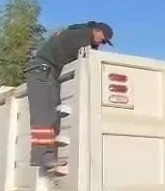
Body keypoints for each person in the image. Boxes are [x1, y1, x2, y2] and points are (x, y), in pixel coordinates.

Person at [26, 21, 114, 173]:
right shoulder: (83, 36)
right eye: (103, 39)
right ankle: (43, 157)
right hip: (42, 71)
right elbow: (88, 58)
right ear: (97, 30)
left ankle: (46, 156)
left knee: (51, 114)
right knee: (44, 115)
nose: (102, 43)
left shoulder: (77, 33)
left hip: (47, 71)